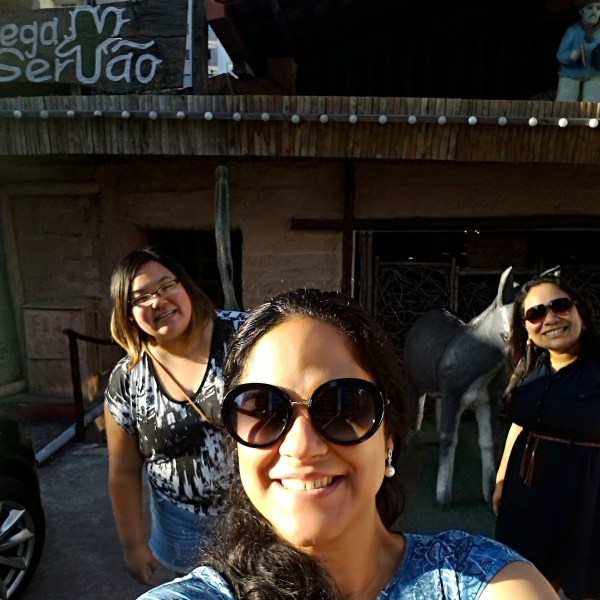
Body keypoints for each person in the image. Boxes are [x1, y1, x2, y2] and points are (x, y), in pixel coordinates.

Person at [138, 288, 557, 600]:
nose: (301, 446)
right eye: (264, 409)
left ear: (390, 436)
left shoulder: (482, 581)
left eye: (343, 407)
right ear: (237, 446)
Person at [104, 247, 245, 585]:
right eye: (141, 298)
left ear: (185, 287)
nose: (158, 301)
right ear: (127, 314)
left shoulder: (244, 336)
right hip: (182, 527)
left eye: (167, 285)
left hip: (257, 515)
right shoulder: (128, 378)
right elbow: (124, 470)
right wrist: (133, 545)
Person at [494, 274, 600, 599]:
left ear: (580, 312)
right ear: (526, 327)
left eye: (560, 306)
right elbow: (520, 424)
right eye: (536, 313)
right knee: (524, 577)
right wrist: (501, 479)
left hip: (585, 494)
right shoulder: (528, 368)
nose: (550, 318)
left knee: (582, 582)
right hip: (526, 492)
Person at [556, 0, 600, 102]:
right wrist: (571, 55)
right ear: (581, 11)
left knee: (593, 103)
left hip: (594, 73)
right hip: (571, 73)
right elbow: (560, 54)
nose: (594, 12)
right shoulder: (573, 31)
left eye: (598, 8)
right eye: (589, 8)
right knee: (566, 101)